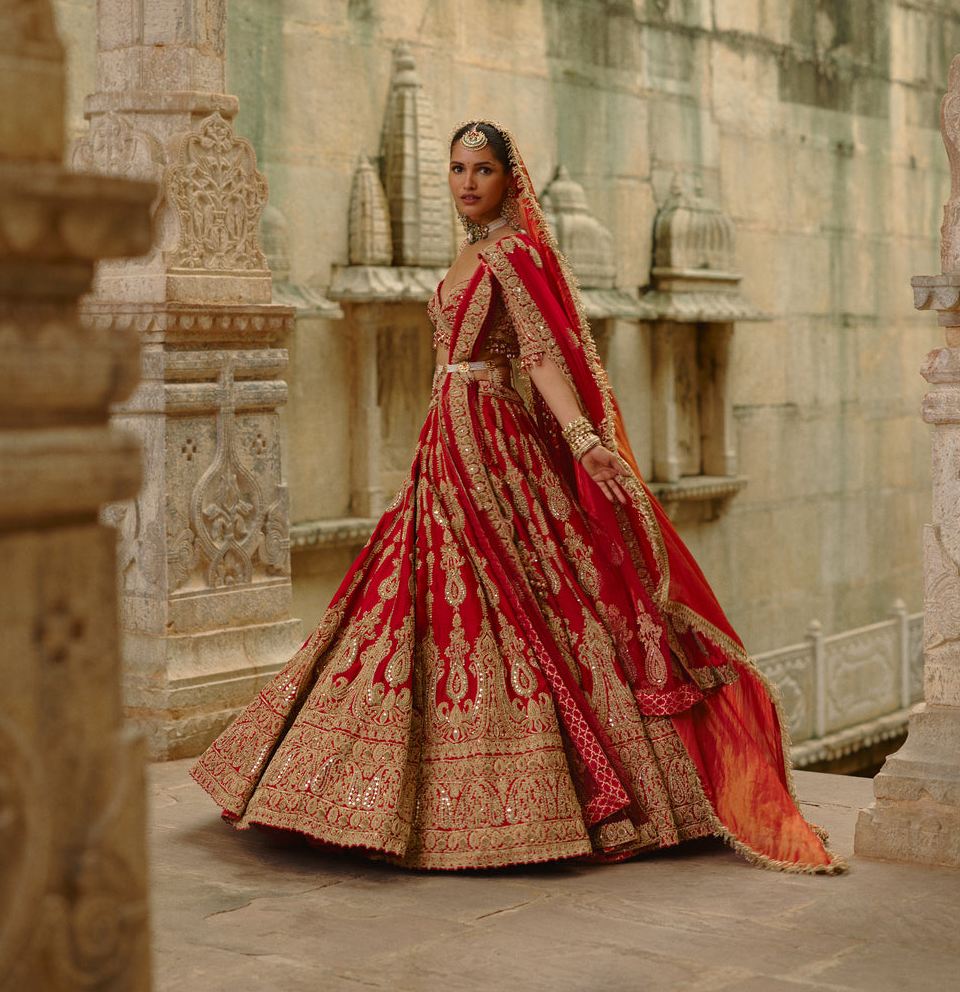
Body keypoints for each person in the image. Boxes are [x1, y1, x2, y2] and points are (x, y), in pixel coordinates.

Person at [192, 121, 844, 874]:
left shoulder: (514, 254)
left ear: (511, 178)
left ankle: (548, 794)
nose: (467, 182)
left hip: (498, 448)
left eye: (484, 170)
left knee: (522, 595)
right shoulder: (466, 255)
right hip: (447, 440)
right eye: (457, 169)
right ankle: (367, 786)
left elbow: (539, 354)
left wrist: (581, 440)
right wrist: (429, 441)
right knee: (419, 596)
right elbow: (447, 365)